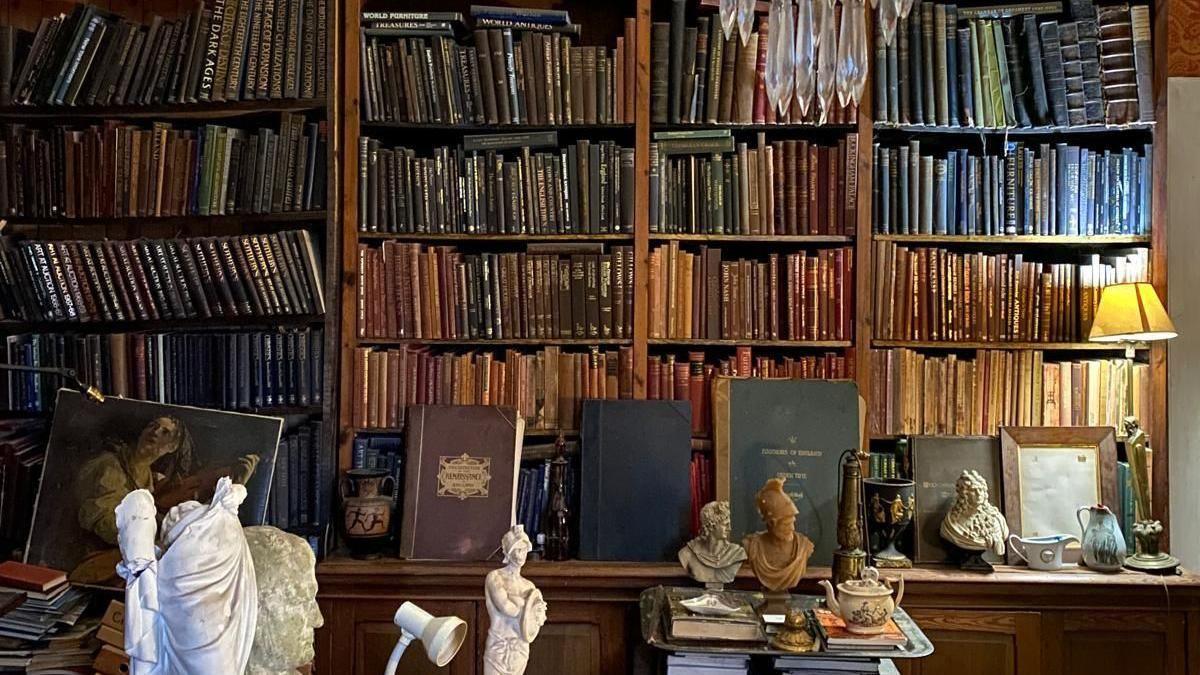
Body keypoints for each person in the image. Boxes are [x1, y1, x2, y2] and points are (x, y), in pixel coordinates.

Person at [72, 416, 258, 584]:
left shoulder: (152, 480)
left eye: (165, 432)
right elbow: (105, 523)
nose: (155, 432)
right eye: (152, 426)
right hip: (99, 562)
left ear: (172, 447)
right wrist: (161, 534)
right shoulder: (109, 466)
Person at [483, 525, 547, 675]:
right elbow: (506, 607)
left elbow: (538, 619)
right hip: (499, 646)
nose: (521, 555)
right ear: (507, 552)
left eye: (524, 550)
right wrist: (528, 608)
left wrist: (537, 613)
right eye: (517, 550)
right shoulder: (495, 577)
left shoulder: (529, 586)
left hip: (520, 649)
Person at [742, 477, 814, 592]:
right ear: (771, 523)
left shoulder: (804, 547)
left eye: (792, 522)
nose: (792, 528)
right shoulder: (752, 546)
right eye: (786, 524)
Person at [678, 501, 747, 587]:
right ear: (711, 526)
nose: (729, 528)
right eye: (725, 525)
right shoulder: (687, 554)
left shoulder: (736, 553)